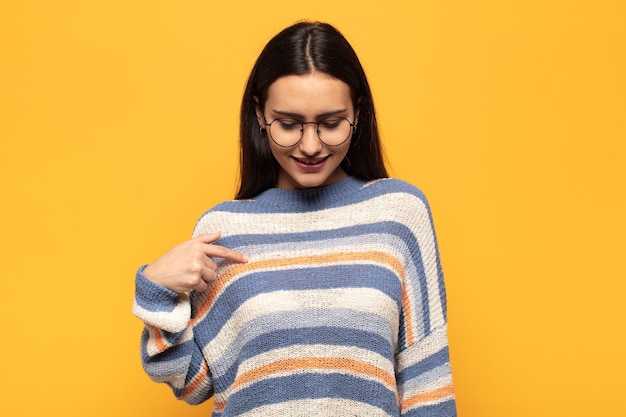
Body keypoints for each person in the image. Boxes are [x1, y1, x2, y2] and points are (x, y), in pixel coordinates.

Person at [133, 21, 456, 416]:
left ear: (359, 113)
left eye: (331, 123)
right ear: (259, 114)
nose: (310, 145)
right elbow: (195, 382)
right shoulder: (224, 231)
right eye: (288, 124)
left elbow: (428, 386)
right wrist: (155, 291)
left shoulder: (399, 214)